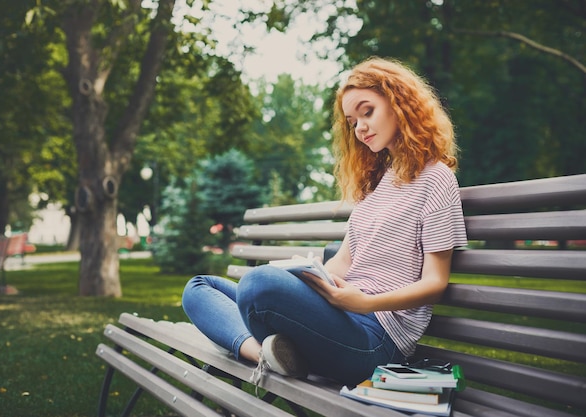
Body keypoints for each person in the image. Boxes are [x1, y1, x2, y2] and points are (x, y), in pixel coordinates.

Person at [181, 56, 468, 388]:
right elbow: (344, 261)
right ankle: (264, 353)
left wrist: (365, 302)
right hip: (341, 314)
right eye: (351, 120)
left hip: (377, 338)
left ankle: (272, 352)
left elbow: (435, 282)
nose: (359, 127)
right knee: (200, 287)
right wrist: (310, 278)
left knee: (257, 285)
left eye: (367, 111)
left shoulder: (437, 179)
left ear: (400, 103)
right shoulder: (377, 185)